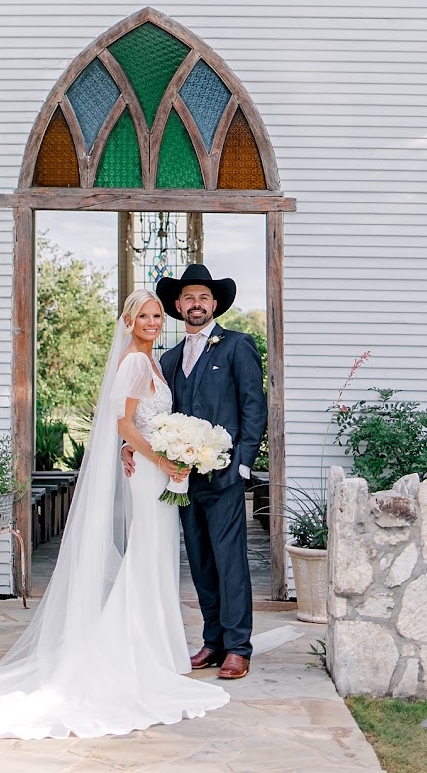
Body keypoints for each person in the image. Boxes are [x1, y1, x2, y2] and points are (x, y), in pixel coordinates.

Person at [0, 289, 230, 751]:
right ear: (128, 320)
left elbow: (140, 423)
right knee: (147, 554)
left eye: (157, 315)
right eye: (144, 315)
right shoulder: (134, 364)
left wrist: (161, 449)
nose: (152, 322)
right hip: (150, 473)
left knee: (156, 555)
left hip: (156, 468)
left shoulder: (152, 361)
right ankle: (142, 650)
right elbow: (123, 424)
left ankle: (158, 646)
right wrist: (160, 458)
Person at [151, 263, 268, 680]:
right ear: (178, 306)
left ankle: (238, 647)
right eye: (189, 298)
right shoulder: (168, 359)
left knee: (229, 560)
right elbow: (158, 414)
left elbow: (254, 406)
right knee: (200, 561)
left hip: (225, 474)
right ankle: (213, 641)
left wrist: (243, 463)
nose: (196, 304)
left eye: (203, 297)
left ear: (214, 304)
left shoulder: (237, 345)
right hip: (183, 478)